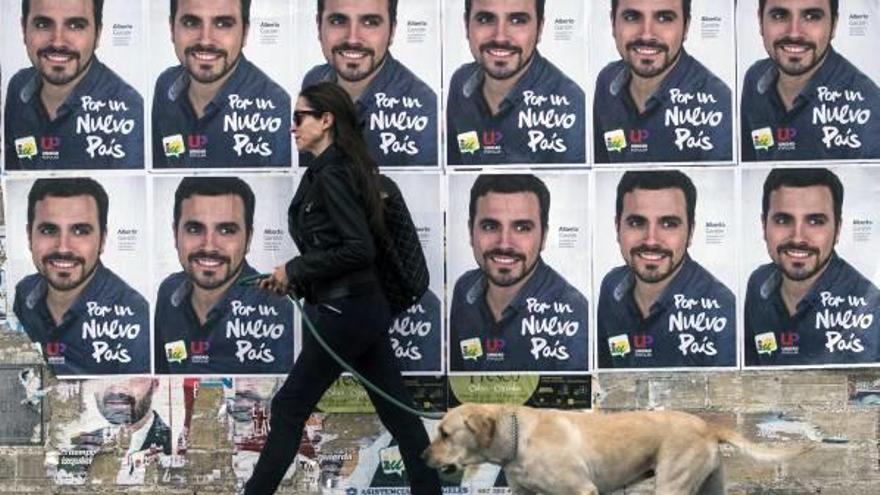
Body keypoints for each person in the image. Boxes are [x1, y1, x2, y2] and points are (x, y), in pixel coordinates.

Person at [244, 82, 440, 495]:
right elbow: (335, 249)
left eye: (300, 117)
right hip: (356, 310)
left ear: (326, 120)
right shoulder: (324, 171)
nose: (291, 127)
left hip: (348, 312)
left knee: (289, 405)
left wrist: (295, 268)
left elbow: (358, 249)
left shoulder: (334, 174)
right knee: (399, 416)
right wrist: (293, 280)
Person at [153, 177, 294, 374]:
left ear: (248, 239)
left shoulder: (278, 311)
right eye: (194, 229)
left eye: (226, 230)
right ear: (175, 234)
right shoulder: (168, 291)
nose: (209, 246)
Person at [449, 174, 589, 373]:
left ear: (544, 237)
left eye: (522, 228)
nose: (505, 243)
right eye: (490, 226)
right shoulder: (464, 288)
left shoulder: (574, 313)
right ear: (471, 231)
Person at [597, 171, 736, 368]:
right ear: (617, 227)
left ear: (691, 232)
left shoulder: (723, 311)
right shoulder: (610, 286)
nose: (651, 240)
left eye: (669, 224)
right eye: (636, 223)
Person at [13, 178, 150, 376]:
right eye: (48, 230)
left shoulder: (137, 320)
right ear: (29, 236)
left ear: (102, 240)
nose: (63, 247)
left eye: (80, 231)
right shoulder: (24, 293)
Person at [745, 168, 880, 365]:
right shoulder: (757, 283)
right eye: (783, 220)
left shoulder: (872, 310)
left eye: (815, 221)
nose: (798, 237)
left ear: (838, 230)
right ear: (763, 225)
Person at [4, 0, 144, 170]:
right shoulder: (17, 87)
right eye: (42, 24)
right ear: (23, 29)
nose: (57, 42)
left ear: (98, 34)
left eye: (75, 25)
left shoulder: (132, 113)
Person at [152, 0, 291, 168]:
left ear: (245, 33)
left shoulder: (278, 109)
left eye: (223, 24)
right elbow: (162, 164)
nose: (205, 40)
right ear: (172, 29)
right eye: (191, 22)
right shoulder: (165, 86)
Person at [446, 0, 585, 165]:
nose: (500, 37)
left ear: (540, 28)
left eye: (517, 21)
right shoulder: (460, 82)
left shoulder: (573, 105)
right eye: (485, 19)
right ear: (466, 25)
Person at [301, 0, 437, 167]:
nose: (352, 39)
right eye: (338, 21)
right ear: (318, 27)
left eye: (370, 22)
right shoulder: (313, 80)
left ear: (392, 31)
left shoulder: (426, 109)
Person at [593, 0, 732, 164]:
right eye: (631, 17)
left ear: (686, 27)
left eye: (664, 18)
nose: (646, 35)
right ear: (613, 24)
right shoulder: (606, 81)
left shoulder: (720, 105)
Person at [741, 0, 880, 161]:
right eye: (779, 16)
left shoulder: (870, 109)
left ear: (833, 25)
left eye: (812, 16)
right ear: (760, 21)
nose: (794, 33)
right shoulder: (754, 78)